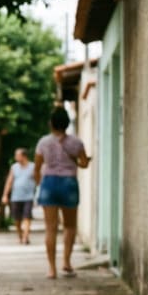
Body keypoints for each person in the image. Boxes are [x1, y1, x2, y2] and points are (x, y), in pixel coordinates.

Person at [34, 107, 90, 278]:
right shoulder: (76, 142)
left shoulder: (43, 142)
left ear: (51, 123)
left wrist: (39, 184)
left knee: (50, 228)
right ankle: (66, 262)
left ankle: (52, 269)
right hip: (69, 183)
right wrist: (77, 162)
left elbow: (37, 167)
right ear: (66, 123)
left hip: (49, 182)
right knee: (70, 226)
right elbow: (84, 163)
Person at [1, 148, 36, 244]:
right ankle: (20, 235)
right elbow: (9, 181)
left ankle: (25, 237)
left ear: (24, 156)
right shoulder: (14, 167)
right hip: (16, 197)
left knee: (27, 217)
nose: (15, 157)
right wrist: (5, 195)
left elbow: (38, 180)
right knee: (17, 219)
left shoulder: (33, 167)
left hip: (28, 197)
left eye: (17, 155)